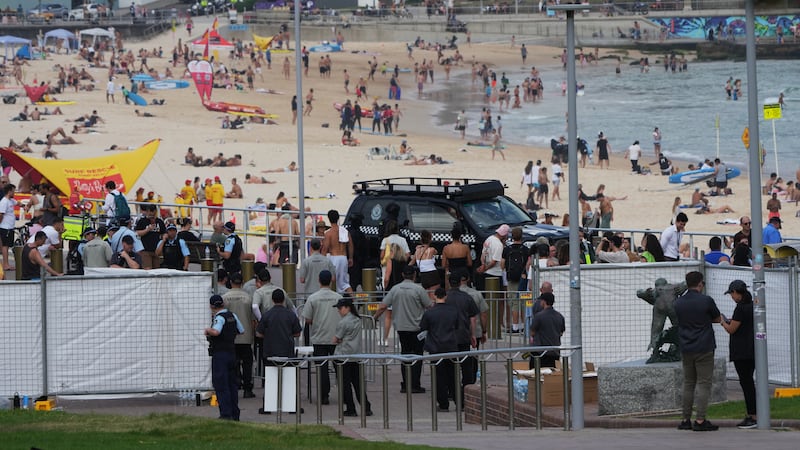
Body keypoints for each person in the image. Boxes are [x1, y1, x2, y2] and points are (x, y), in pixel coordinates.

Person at [674, 271, 722, 432]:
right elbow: (716, 318)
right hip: (704, 347)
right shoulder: (706, 300)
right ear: (700, 283)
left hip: (686, 347)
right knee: (703, 383)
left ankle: (685, 419)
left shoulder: (679, 303)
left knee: (688, 383)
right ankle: (700, 420)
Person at [373, 265, 432, 393]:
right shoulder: (419, 289)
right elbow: (429, 306)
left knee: (405, 354)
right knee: (417, 356)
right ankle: (415, 384)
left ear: (402, 275)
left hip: (401, 327)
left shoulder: (395, 289)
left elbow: (383, 305)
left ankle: (405, 383)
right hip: (417, 328)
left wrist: (375, 317)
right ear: (414, 275)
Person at [719, 280, 757, 429]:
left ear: (736, 292)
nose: (731, 297)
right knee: (748, 383)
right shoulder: (752, 304)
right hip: (752, 349)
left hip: (741, 351)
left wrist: (723, 322)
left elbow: (732, 329)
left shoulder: (740, 308)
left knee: (746, 383)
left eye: (731, 294)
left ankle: (753, 415)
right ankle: (754, 413)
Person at [301, 270, 342, 405]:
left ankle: (324, 395)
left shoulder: (313, 298)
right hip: (336, 337)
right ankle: (344, 392)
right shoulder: (338, 297)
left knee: (322, 368)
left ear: (318, 280)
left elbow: (307, 319)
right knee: (339, 367)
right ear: (331, 281)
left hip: (319, 337)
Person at [205, 294, 245, 421]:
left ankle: (225, 414)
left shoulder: (219, 318)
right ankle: (235, 413)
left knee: (221, 384)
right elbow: (241, 330)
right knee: (232, 384)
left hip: (220, 354)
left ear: (212, 306)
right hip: (232, 353)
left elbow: (216, 331)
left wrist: (207, 330)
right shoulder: (232, 316)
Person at [419, 287, 459, 412]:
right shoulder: (453, 311)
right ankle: (459, 402)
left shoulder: (430, 313)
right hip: (451, 347)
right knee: (453, 376)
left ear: (434, 296)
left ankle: (443, 404)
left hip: (436, 348)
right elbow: (457, 326)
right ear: (445, 296)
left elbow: (423, 327)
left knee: (438, 378)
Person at [333, 297, 373, 417]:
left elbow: (335, 339)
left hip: (343, 355)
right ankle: (366, 407)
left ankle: (351, 408)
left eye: (340, 308)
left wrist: (339, 340)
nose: (339, 311)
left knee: (345, 384)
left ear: (347, 308)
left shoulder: (343, 322)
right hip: (356, 355)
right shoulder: (357, 319)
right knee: (358, 383)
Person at [222, 272, 256, 399]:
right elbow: (253, 319)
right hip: (246, 335)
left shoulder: (225, 298)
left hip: (230, 337)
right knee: (247, 363)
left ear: (230, 282)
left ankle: (234, 385)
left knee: (232, 363)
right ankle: (248, 388)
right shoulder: (248, 298)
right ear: (242, 283)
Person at [501, 227, 530, 334]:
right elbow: (528, 265)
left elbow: (502, 265)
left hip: (511, 279)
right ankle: (523, 325)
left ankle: (515, 326)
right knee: (523, 301)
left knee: (514, 302)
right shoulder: (526, 250)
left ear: (511, 236)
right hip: (523, 278)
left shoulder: (507, 250)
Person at [529, 292, 565, 369]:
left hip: (540, 351)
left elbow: (532, 332)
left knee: (536, 374)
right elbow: (561, 332)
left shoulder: (539, 316)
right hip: (554, 352)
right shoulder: (560, 316)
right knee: (551, 374)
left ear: (544, 302)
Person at [321, 209, 353, 293]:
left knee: (332, 281)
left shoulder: (328, 233)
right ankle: (354, 301)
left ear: (328, 218)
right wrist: (351, 258)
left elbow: (325, 248)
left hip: (334, 258)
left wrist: (322, 259)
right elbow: (350, 245)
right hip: (343, 257)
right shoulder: (345, 231)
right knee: (344, 283)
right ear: (338, 218)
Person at [0, 183, 17, 272]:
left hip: (10, 227)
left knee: (8, 245)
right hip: (5, 227)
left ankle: (6, 264)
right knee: (5, 246)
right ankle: (6, 264)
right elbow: (1, 215)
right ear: (9, 191)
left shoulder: (11, 200)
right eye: (13, 191)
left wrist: (26, 206)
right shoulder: (4, 202)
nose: (14, 192)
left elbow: (18, 203)